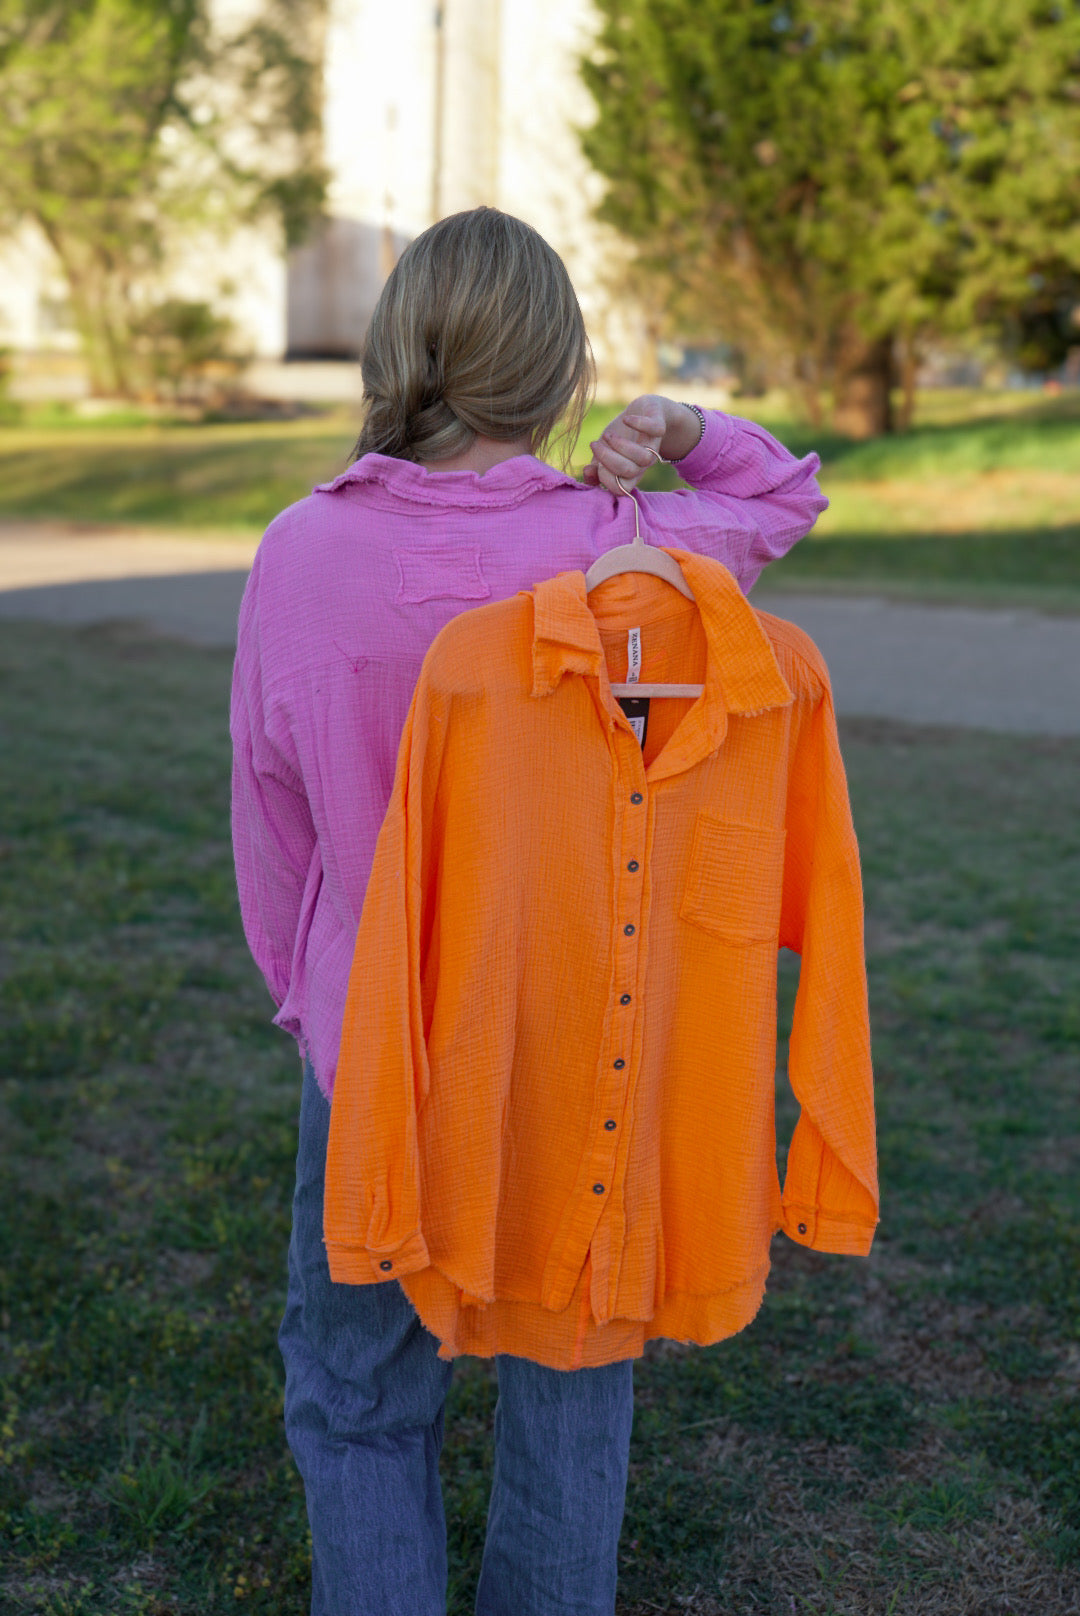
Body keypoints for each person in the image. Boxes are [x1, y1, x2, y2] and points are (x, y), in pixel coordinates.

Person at [230, 205, 828, 1616]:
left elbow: (272, 816)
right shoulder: (632, 554)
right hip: (577, 1042)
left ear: (398, 350)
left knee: (360, 1386)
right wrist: (680, 427)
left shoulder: (299, 552)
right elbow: (789, 498)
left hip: (376, 1047)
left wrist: (309, 1002)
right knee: (571, 1378)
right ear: (563, 377)